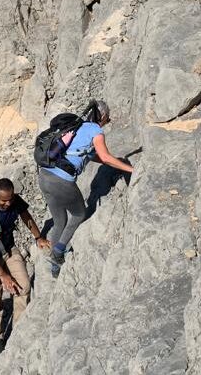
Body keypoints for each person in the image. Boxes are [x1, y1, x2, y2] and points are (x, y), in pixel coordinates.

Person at [38, 100, 133, 277]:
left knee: (59, 221)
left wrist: (113, 163)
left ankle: (55, 265)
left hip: (44, 176)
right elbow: (104, 156)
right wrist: (130, 169)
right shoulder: (95, 130)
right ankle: (58, 252)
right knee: (79, 214)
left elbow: (92, 156)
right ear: (103, 116)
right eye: (107, 119)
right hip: (61, 180)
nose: (107, 122)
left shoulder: (77, 127)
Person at [0, 178, 49, 356]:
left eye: (10, 199)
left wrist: (38, 237)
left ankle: (18, 329)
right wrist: (3, 275)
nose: (8, 204)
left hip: (8, 249)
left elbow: (27, 217)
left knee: (23, 286)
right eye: (3, 201)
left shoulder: (15, 201)